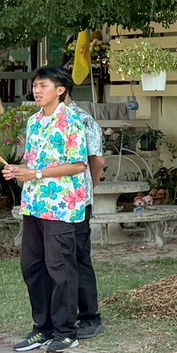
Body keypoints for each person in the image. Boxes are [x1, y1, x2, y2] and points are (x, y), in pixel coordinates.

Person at [7, 66, 90, 353]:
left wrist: (37, 174)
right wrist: (18, 171)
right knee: (32, 268)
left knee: (60, 269)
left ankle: (67, 332)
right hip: (33, 205)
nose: (37, 90)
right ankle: (42, 329)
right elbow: (33, 164)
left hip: (61, 207)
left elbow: (79, 164)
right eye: (35, 85)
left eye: (43, 85)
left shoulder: (72, 121)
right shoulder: (33, 121)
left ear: (60, 90)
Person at [68, 99, 107, 340]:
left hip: (79, 201)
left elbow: (97, 160)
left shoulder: (82, 119)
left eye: (43, 85)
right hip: (52, 202)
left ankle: (89, 316)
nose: (37, 91)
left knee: (79, 256)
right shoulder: (43, 118)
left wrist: (88, 187)